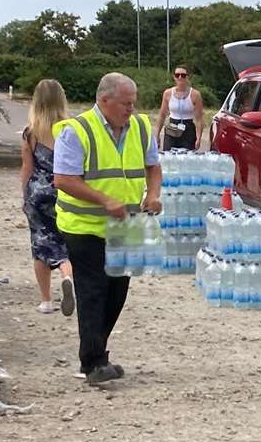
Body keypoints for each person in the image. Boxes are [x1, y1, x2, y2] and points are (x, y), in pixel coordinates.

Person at [54, 72, 162, 386]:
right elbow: (63, 179)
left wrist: (153, 194)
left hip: (125, 223)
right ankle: (93, 362)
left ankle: (97, 353)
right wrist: (104, 200)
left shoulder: (140, 127)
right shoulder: (76, 131)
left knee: (117, 292)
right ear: (105, 101)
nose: (131, 108)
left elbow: (153, 166)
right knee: (93, 290)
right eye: (126, 103)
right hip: (84, 225)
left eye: (133, 103)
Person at [19, 78, 74, 315]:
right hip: (64, 191)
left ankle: (46, 300)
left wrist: (25, 196)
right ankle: (66, 274)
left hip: (38, 193)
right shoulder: (70, 130)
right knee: (65, 242)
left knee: (40, 244)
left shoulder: (31, 133)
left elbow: (26, 168)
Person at [156, 67, 203, 151]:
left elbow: (199, 119)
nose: (180, 77)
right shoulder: (168, 93)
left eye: (183, 75)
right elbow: (162, 115)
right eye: (177, 75)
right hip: (172, 127)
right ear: (174, 77)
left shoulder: (195, 94)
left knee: (186, 157)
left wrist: (199, 138)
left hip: (188, 128)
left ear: (188, 77)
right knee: (169, 156)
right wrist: (157, 135)